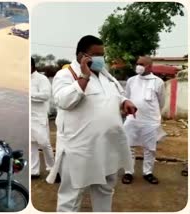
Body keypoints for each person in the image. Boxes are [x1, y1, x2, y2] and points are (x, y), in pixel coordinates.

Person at [46, 35, 137, 212]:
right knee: (72, 196)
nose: (100, 59)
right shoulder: (65, 75)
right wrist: (84, 77)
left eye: (102, 54)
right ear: (81, 56)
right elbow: (63, 101)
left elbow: (115, 93)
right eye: (95, 55)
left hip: (107, 146)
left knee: (105, 189)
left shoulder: (105, 75)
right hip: (80, 149)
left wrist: (124, 101)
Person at [122, 56, 166, 185]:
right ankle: (128, 172)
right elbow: (126, 97)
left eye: (141, 64)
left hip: (150, 121)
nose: (138, 66)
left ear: (150, 66)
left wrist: (154, 115)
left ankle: (148, 173)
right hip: (132, 119)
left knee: (150, 148)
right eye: (137, 63)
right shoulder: (131, 80)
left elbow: (162, 101)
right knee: (129, 146)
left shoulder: (158, 82)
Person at [31, 57, 55, 178]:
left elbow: (46, 95)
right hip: (29, 117)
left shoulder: (42, 79)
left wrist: (31, 95)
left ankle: (52, 169)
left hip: (39, 117)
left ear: (32, 66)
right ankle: (34, 171)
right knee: (32, 144)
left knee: (44, 143)